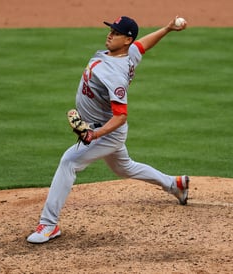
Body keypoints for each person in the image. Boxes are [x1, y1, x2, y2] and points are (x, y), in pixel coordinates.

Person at [27, 15, 189, 244]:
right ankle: (175, 185)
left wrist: (94, 135)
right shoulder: (127, 52)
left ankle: (49, 224)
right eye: (111, 30)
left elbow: (121, 116)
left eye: (116, 32)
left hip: (106, 131)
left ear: (126, 40)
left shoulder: (115, 74)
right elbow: (143, 45)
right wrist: (167, 28)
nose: (110, 34)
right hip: (104, 131)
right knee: (124, 168)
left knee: (69, 162)